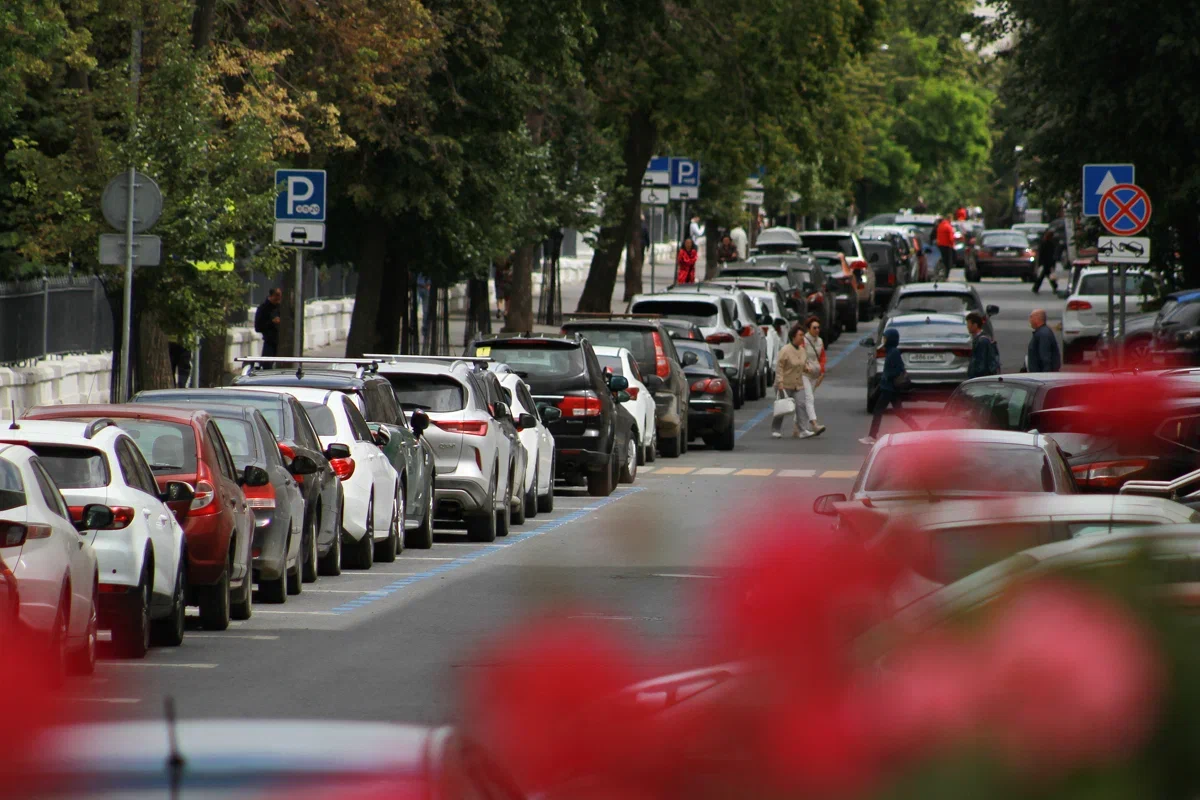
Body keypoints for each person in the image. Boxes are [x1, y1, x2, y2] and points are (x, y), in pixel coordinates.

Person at [860, 328, 920, 445]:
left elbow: (899, 369)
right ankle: (918, 429)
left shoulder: (894, 353)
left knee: (878, 411)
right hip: (889, 388)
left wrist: (887, 376)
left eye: (885, 338)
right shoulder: (890, 351)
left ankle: (872, 436)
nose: (884, 340)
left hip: (889, 389)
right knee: (900, 412)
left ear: (891, 339)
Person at [772, 324, 813, 439]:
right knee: (782, 407)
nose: (802, 337)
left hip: (798, 384)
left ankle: (803, 429)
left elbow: (803, 364)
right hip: (784, 384)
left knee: (801, 405)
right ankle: (776, 429)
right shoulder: (785, 350)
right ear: (793, 336)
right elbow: (779, 367)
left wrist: (806, 368)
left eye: (803, 335)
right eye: (800, 335)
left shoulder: (802, 350)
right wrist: (780, 382)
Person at [802, 316, 827, 436]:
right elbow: (800, 355)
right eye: (814, 328)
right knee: (809, 398)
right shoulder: (804, 340)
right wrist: (805, 366)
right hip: (804, 374)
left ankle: (800, 428)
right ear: (808, 329)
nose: (817, 330)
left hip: (815, 375)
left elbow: (822, 357)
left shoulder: (820, 341)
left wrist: (822, 372)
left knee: (805, 401)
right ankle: (814, 424)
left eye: (818, 327)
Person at [966, 311, 1000, 378]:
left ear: (975, 325)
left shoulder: (982, 341)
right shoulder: (980, 339)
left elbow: (981, 364)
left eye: (968, 323)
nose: (967, 326)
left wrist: (976, 376)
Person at [1027, 308, 1061, 373]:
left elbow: (1046, 359)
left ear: (1037, 319)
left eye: (1031, 317)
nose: (1029, 320)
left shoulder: (1043, 334)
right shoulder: (1042, 332)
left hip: (1041, 377)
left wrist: (1045, 376)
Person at [254, 287, 282, 359]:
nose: (279, 298)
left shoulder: (280, 307)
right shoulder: (263, 308)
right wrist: (271, 322)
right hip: (269, 342)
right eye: (277, 295)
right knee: (267, 364)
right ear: (271, 296)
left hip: (281, 342)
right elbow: (258, 327)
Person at [1032, 228, 1059, 294]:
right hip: (1048, 262)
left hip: (1046, 262)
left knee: (1044, 276)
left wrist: (1039, 263)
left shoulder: (1045, 243)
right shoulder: (1050, 243)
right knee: (1046, 275)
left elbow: (1041, 253)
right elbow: (1052, 254)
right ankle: (1054, 287)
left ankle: (1036, 288)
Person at [934, 214, 955, 279]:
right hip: (947, 246)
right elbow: (951, 238)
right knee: (948, 262)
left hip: (940, 246)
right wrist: (952, 245)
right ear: (950, 219)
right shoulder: (948, 226)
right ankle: (946, 275)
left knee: (942, 259)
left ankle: (941, 272)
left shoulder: (940, 226)